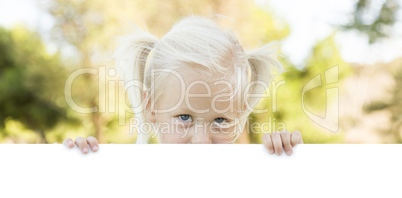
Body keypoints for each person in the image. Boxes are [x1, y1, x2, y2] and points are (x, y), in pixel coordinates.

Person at [62, 15, 303, 156]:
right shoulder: (130, 179)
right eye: (184, 116)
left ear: (239, 116)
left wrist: (289, 163)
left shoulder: (249, 180)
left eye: (220, 120)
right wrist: (81, 166)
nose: (201, 141)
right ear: (151, 107)